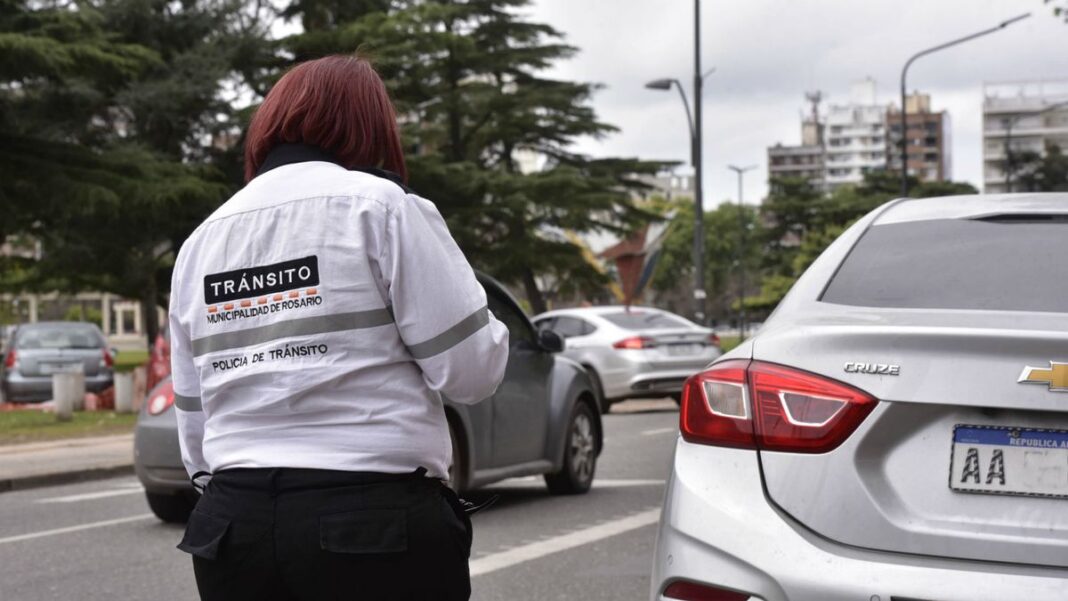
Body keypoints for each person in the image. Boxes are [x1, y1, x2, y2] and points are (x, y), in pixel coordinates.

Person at [168, 54, 509, 601]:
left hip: (232, 528)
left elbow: (193, 419)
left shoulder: (202, 241)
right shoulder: (381, 208)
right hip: (373, 523)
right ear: (368, 129)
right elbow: (472, 370)